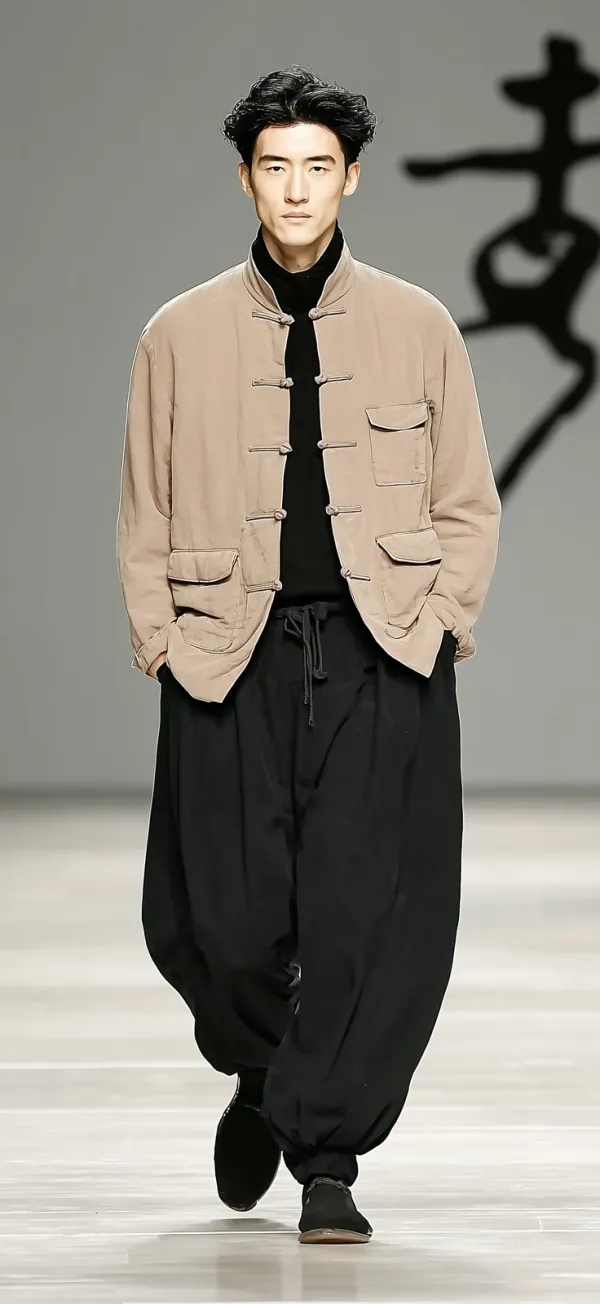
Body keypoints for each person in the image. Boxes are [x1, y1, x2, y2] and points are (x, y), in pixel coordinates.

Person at [116, 64, 501, 1245]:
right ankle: (261, 1069)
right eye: (275, 167)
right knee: (215, 923)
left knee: (365, 912)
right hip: (226, 652)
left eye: (317, 167)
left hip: (383, 652)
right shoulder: (177, 334)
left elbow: (465, 498)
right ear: (245, 179)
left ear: (351, 179)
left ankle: (327, 1154)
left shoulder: (418, 325)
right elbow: (143, 503)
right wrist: (162, 641)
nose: (296, 188)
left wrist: (440, 624)